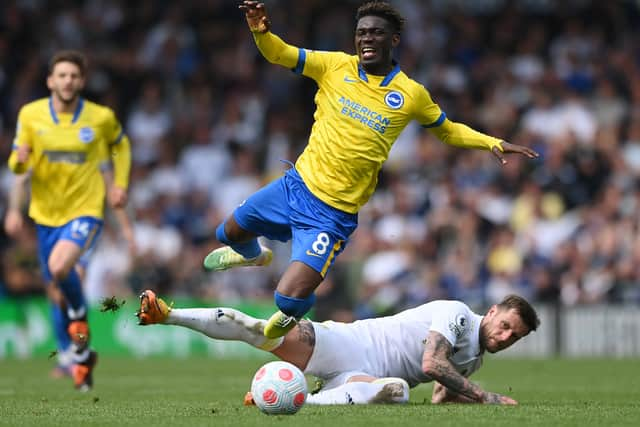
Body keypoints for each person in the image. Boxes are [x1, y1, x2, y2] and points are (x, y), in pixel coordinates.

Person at [203, 1, 539, 339]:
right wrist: (259, 28)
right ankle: (254, 256)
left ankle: (295, 310)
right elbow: (279, 54)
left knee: (286, 299)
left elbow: (447, 130)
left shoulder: (410, 94)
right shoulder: (334, 65)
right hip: (295, 186)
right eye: (362, 32)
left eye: (376, 32)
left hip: (331, 214)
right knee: (227, 233)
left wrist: (491, 142)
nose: (367, 38)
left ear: (393, 40)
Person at [136, 290, 539, 405]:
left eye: (514, 337)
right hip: (347, 343)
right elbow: (432, 363)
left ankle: (289, 401)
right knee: (259, 331)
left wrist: (461, 397)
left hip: (364, 377)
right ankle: (167, 314)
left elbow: (438, 396)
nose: (505, 338)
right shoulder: (456, 315)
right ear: (490, 312)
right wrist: (486, 399)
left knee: (395, 391)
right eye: (505, 326)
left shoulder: (472, 359)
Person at [4, 50, 132, 391]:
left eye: (74, 76)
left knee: (62, 268)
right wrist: (15, 205)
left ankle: (76, 334)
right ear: (50, 80)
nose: (67, 81)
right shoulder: (30, 116)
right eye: (61, 75)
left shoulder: (99, 117)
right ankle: (79, 353)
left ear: (82, 81)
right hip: (45, 217)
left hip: (86, 212)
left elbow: (121, 146)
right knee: (55, 290)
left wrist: (119, 184)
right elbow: (18, 168)